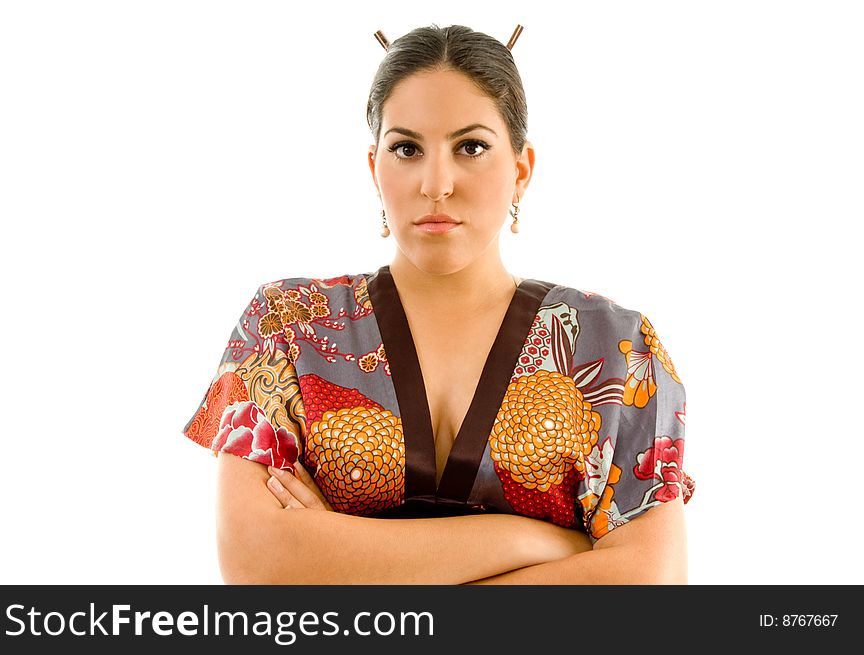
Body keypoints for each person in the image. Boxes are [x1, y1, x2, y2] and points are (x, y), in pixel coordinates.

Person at [181, 23, 694, 584]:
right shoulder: (289, 325)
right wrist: (545, 543)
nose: (436, 183)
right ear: (374, 167)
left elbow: (650, 583)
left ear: (521, 170)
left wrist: (341, 563)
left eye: (470, 147)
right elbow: (256, 563)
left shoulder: (614, 345)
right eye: (406, 149)